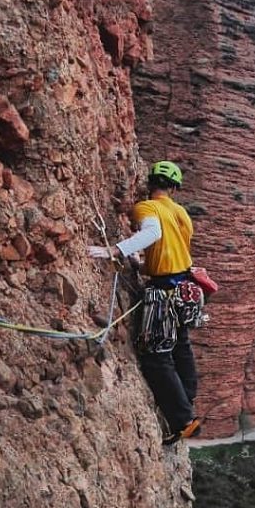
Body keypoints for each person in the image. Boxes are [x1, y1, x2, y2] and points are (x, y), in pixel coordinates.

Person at [88, 160, 203, 445]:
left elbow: (153, 234)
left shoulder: (147, 207)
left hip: (163, 292)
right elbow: (172, 249)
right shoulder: (181, 213)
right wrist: (142, 266)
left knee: (156, 356)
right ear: (174, 188)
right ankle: (187, 398)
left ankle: (184, 420)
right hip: (185, 286)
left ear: (150, 182)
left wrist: (112, 250)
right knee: (181, 345)